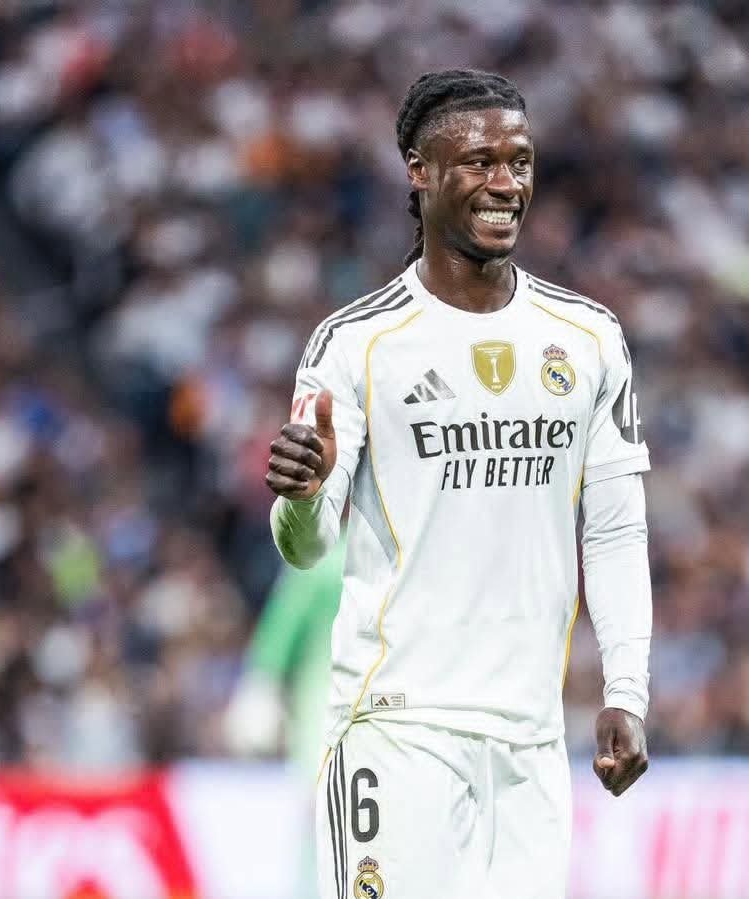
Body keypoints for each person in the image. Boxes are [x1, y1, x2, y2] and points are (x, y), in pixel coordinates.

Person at [266, 69, 651, 899]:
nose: (506, 183)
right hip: (398, 727)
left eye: (520, 161)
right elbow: (308, 546)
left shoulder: (589, 338)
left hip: (531, 741)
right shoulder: (355, 343)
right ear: (420, 171)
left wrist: (627, 688)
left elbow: (617, 529)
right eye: (479, 162)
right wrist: (300, 496)